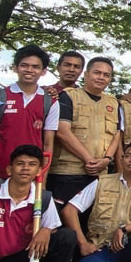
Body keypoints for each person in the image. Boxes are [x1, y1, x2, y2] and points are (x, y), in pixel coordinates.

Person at [0, 45, 60, 257]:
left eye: (36, 67)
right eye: (24, 65)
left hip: (28, 180)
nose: (29, 70)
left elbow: (48, 144)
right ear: (16, 67)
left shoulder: (49, 102)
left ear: (44, 71)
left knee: (20, 236)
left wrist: (40, 178)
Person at [0, 145, 75, 262]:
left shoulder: (43, 198)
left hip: (21, 260)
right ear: (9, 170)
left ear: (39, 171)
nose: (26, 168)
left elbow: (52, 227)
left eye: (32, 164)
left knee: (66, 236)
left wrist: (46, 230)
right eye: (20, 163)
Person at [62, 141, 131, 262]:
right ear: (121, 160)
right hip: (103, 248)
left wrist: (124, 229)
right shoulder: (103, 182)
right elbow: (69, 210)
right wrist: (83, 243)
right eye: (128, 156)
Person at [49, 57, 120, 211]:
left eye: (106, 75)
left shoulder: (113, 103)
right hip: (67, 173)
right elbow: (62, 132)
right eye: (97, 73)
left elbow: (117, 135)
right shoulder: (68, 96)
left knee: (90, 223)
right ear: (86, 74)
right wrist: (89, 159)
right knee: (61, 224)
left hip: (100, 175)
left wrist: (107, 160)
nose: (101, 77)